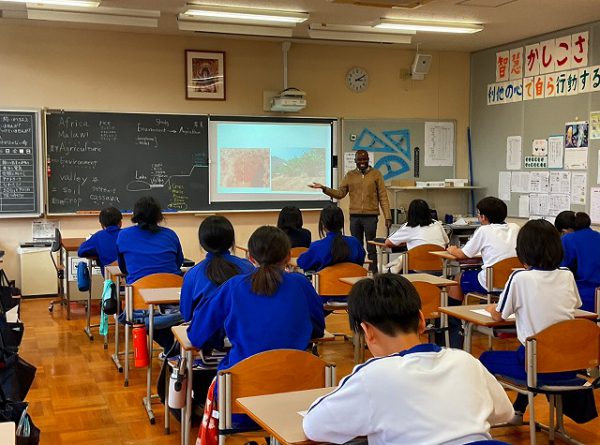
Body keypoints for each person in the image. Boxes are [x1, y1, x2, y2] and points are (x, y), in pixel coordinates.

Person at [303, 274, 513, 445]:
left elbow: (313, 426)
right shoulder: (465, 360)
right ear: (421, 320)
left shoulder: (373, 376)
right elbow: (505, 412)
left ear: (367, 331)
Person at [189, 226, 325, 439]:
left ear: (250, 257)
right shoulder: (301, 284)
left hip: (242, 402)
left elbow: (197, 336)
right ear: (288, 256)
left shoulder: (233, 286)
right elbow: (318, 327)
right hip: (300, 397)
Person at [480, 219, 582, 425]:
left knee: (485, 359)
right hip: (569, 363)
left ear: (523, 251)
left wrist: (491, 308)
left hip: (537, 365)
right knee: (533, 354)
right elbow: (576, 304)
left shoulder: (520, 277)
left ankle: (490, 416)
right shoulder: (567, 275)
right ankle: (518, 411)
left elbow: (499, 315)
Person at [446, 196, 519, 347]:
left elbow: (462, 255)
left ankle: (454, 323)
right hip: (513, 282)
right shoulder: (515, 227)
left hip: (490, 283)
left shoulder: (484, 230)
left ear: (483, 217)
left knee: (457, 279)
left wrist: (452, 249)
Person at [116, 196, 184, 352]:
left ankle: (169, 348)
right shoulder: (170, 235)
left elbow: (123, 268)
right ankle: (171, 348)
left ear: (135, 215)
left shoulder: (124, 235)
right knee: (165, 319)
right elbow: (178, 262)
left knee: (146, 318)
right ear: (158, 215)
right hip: (174, 303)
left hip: (140, 305)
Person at [309, 149, 391, 273]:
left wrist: (388, 216)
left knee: (371, 247)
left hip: (371, 216)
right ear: (355, 161)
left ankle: (374, 273)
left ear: (368, 160)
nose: (362, 162)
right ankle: (357, 271)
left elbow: (383, 196)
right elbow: (340, 193)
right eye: (359, 160)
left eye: (364, 159)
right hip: (355, 216)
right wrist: (324, 188)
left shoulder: (376, 174)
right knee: (356, 246)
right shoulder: (350, 175)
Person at [180, 215, 254, 323]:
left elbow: (186, 315)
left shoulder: (192, 275)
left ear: (202, 243)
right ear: (231, 241)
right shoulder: (248, 268)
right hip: (243, 330)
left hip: (206, 332)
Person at [384, 199, 449, 271]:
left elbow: (388, 243)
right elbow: (446, 241)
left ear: (410, 213)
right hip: (439, 268)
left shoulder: (409, 226)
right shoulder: (437, 224)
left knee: (399, 263)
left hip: (416, 268)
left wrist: (407, 242)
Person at [297, 204, 365, 272]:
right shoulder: (355, 243)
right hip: (352, 278)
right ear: (342, 223)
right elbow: (360, 261)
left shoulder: (317, 246)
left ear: (323, 224)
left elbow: (302, 263)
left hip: (326, 279)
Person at [558, 211, 600, 312]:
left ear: (563, 231)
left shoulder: (568, 240)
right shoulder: (598, 236)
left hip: (582, 297)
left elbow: (562, 271)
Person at [77, 206, 122, 275]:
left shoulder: (98, 237)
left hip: (110, 278)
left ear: (102, 225)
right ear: (120, 223)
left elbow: (81, 252)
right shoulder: (128, 235)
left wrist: (97, 253)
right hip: (132, 279)